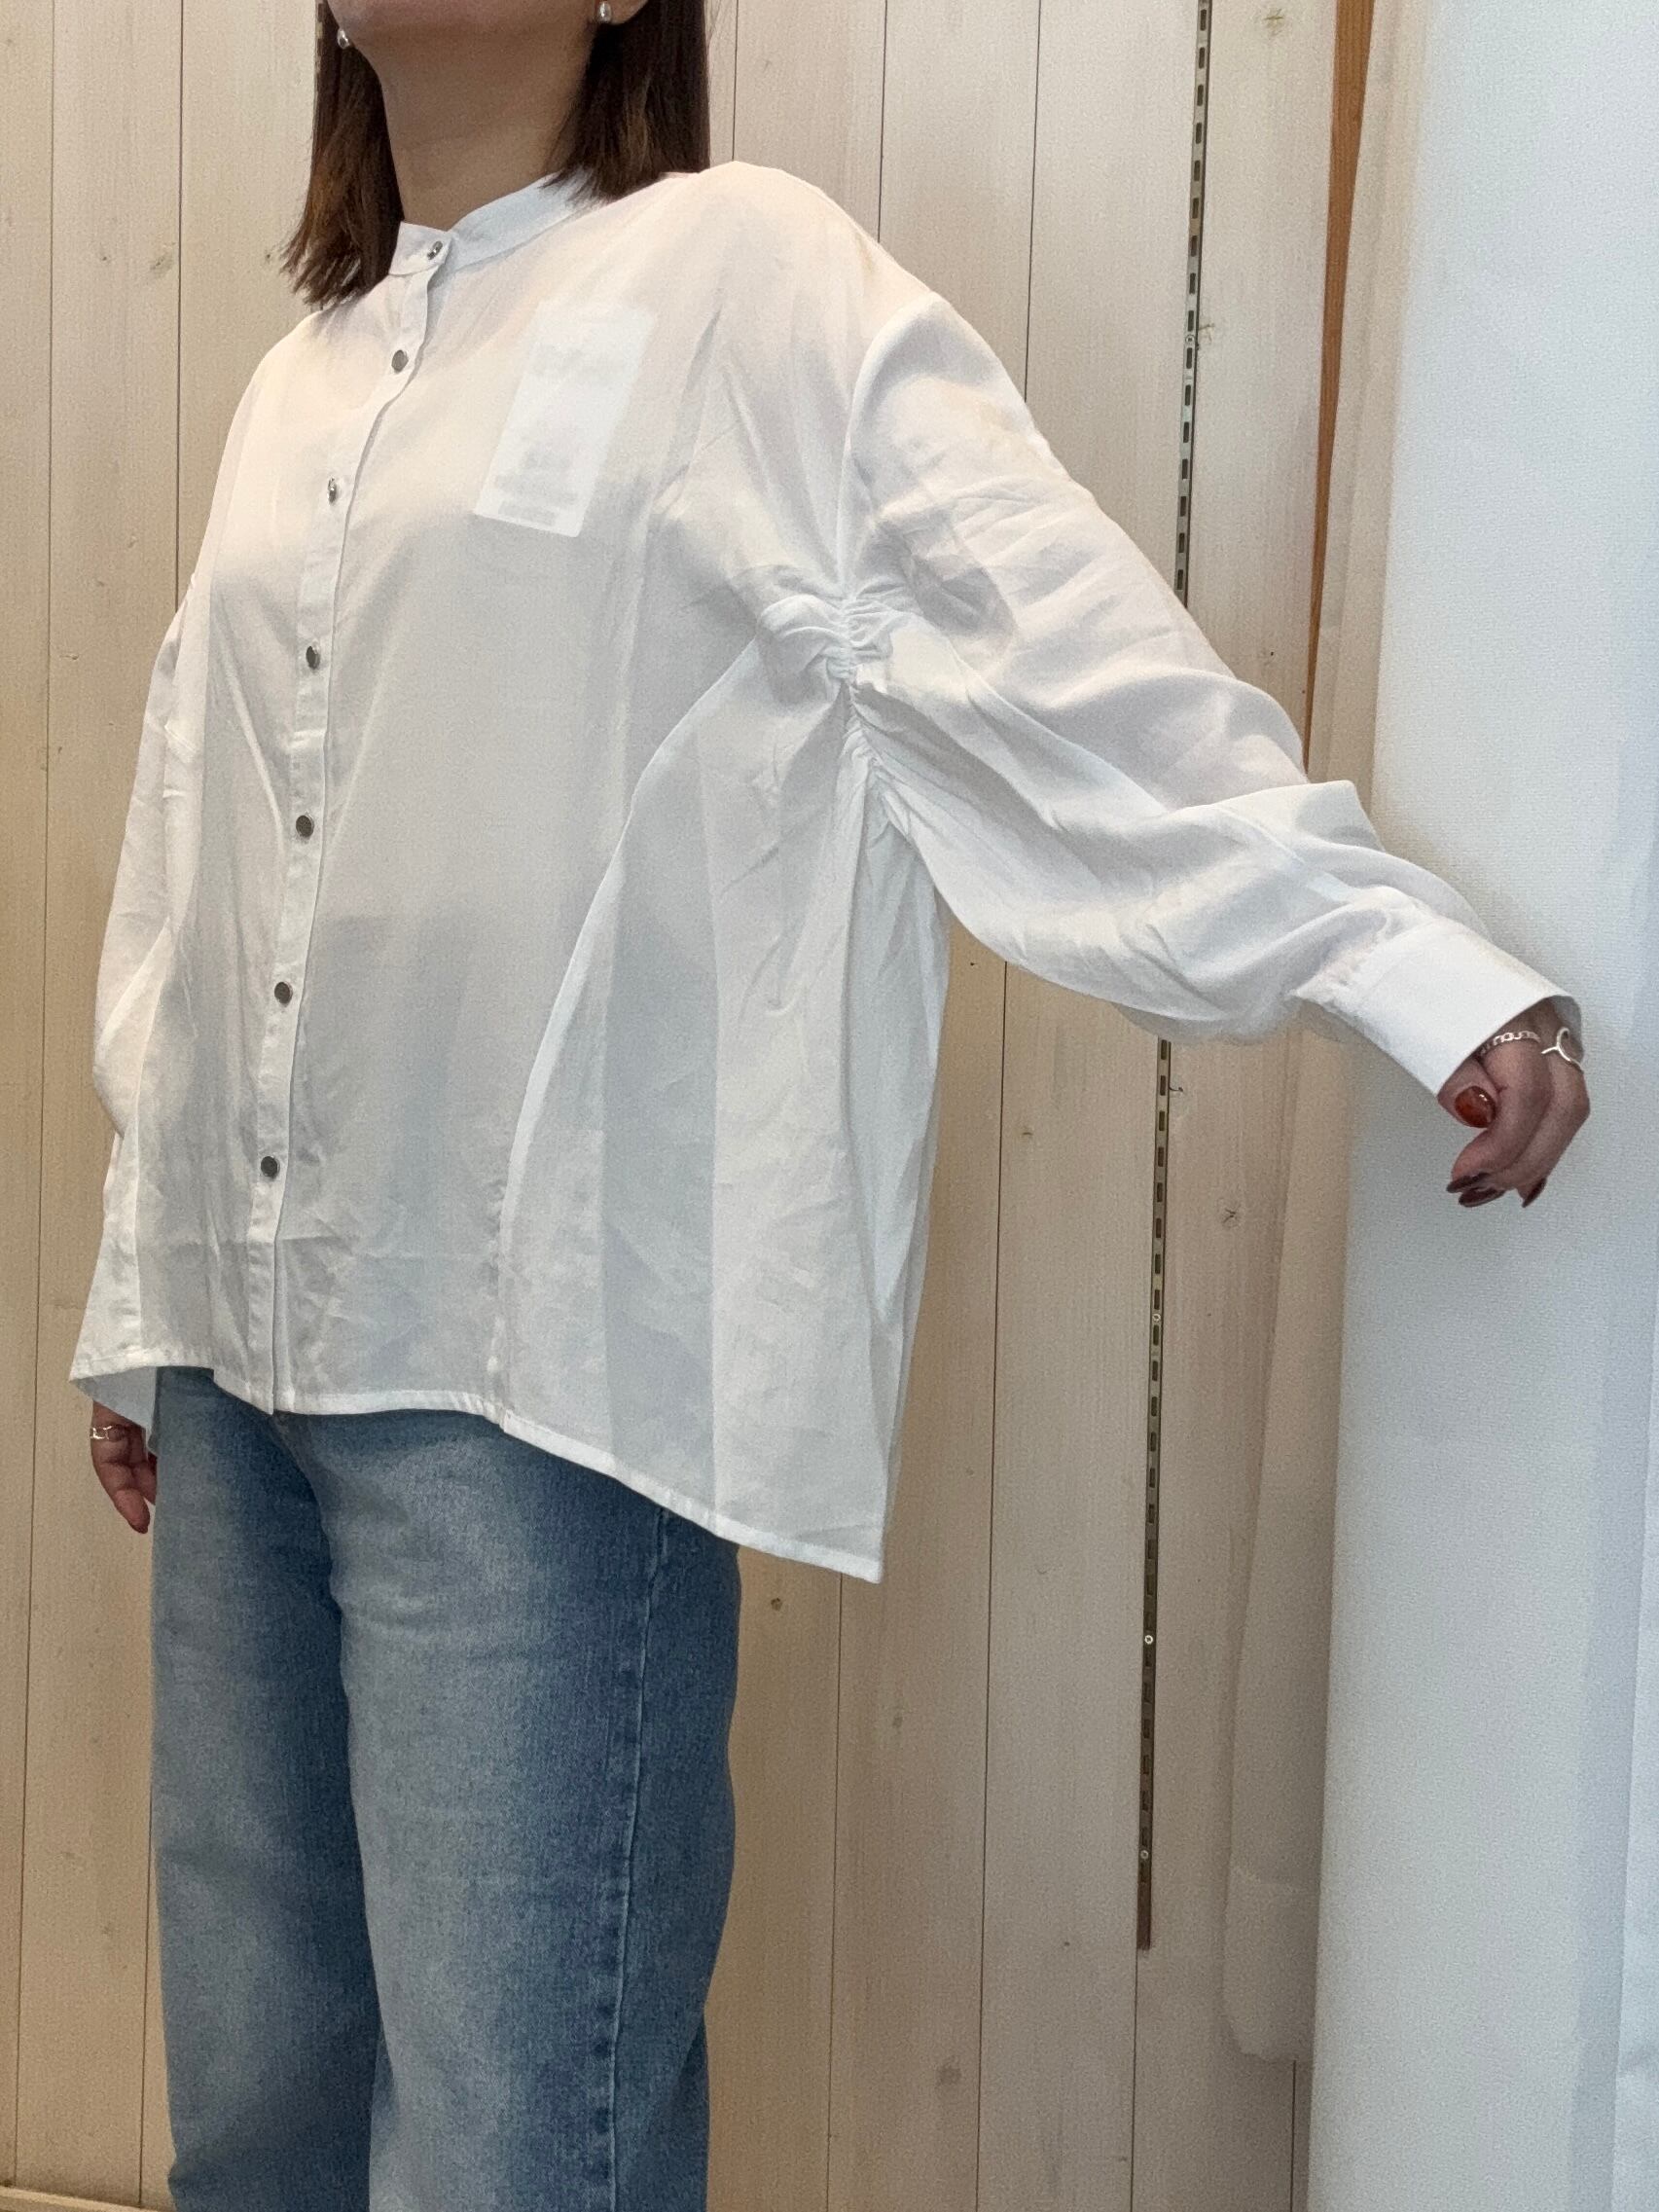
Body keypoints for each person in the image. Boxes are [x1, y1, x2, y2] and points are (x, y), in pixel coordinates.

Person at [69, 1, 1590, 2204]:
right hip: (238, 1371)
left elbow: (1041, 642)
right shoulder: (292, 386)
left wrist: (1395, 953)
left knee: (516, 2149)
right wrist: (143, 1298)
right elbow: (194, 854)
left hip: (528, 1398)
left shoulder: (740, 282)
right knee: (256, 2122)